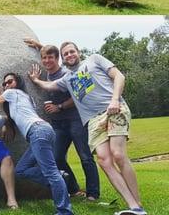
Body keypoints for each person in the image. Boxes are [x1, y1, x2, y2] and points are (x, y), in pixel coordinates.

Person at [28, 41, 146, 215]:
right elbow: (49, 84)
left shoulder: (94, 59)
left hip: (113, 109)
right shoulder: (67, 78)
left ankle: (137, 206)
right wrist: (35, 79)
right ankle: (132, 206)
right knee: (104, 161)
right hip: (92, 121)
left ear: (78, 52)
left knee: (118, 155)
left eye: (71, 52)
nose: (69, 55)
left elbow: (119, 76)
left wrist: (115, 100)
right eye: (66, 53)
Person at [24, 39, 100, 200]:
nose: (46, 61)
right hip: (58, 124)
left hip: (75, 120)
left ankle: (93, 193)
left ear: (58, 58)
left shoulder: (66, 73)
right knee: (57, 157)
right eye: (44, 58)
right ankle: (73, 189)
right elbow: (47, 52)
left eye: (50, 57)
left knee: (85, 157)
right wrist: (38, 46)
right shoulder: (47, 74)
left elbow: (79, 95)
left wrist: (59, 107)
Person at [0, 73, 73, 215]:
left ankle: (64, 211)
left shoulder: (12, 93)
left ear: (17, 82)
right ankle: (61, 176)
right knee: (21, 170)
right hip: (43, 132)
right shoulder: (28, 98)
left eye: (9, 81)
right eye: (4, 84)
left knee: (51, 173)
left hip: (38, 132)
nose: (6, 85)